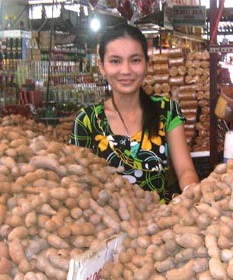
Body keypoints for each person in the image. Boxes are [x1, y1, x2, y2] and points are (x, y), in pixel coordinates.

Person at [69, 23, 199, 203]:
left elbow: (185, 170)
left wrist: (190, 194)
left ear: (147, 63)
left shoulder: (167, 110)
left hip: (161, 223)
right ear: (102, 66)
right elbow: (77, 179)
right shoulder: (87, 121)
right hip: (107, 225)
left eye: (135, 60)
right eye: (115, 61)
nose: (126, 70)